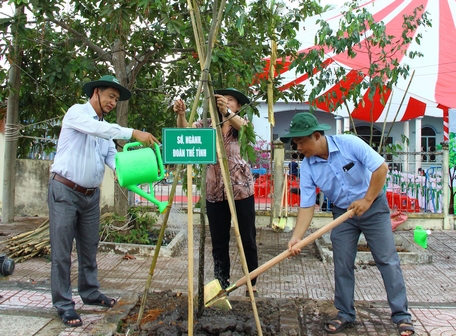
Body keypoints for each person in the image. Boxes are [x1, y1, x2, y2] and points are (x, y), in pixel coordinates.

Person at [280, 113, 414, 336]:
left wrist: (368, 199)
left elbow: (381, 169)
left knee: (387, 260)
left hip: (373, 206)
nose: (299, 147)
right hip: (344, 214)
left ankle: (401, 315)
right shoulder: (308, 167)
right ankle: (345, 313)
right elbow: (307, 205)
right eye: (296, 143)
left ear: (316, 136)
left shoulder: (349, 144)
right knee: (342, 262)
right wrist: (297, 237)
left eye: (301, 142)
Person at [48, 75, 159, 327]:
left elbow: (113, 158)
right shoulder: (77, 114)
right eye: (111, 96)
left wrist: (131, 171)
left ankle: (90, 292)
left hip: (90, 195)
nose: (113, 102)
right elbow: (96, 129)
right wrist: (133, 133)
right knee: (62, 251)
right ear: (96, 92)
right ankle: (64, 304)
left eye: (116, 100)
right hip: (64, 191)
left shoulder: (105, 129)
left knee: (89, 247)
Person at [173, 88, 259, 295]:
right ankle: (221, 283)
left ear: (238, 106)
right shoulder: (207, 125)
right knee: (218, 241)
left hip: (241, 192)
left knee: (247, 238)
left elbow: (246, 129)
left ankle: (251, 282)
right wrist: (181, 114)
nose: (226, 102)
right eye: (223, 100)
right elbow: (186, 132)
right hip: (214, 192)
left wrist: (228, 113)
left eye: (231, 100)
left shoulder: (242, 125)